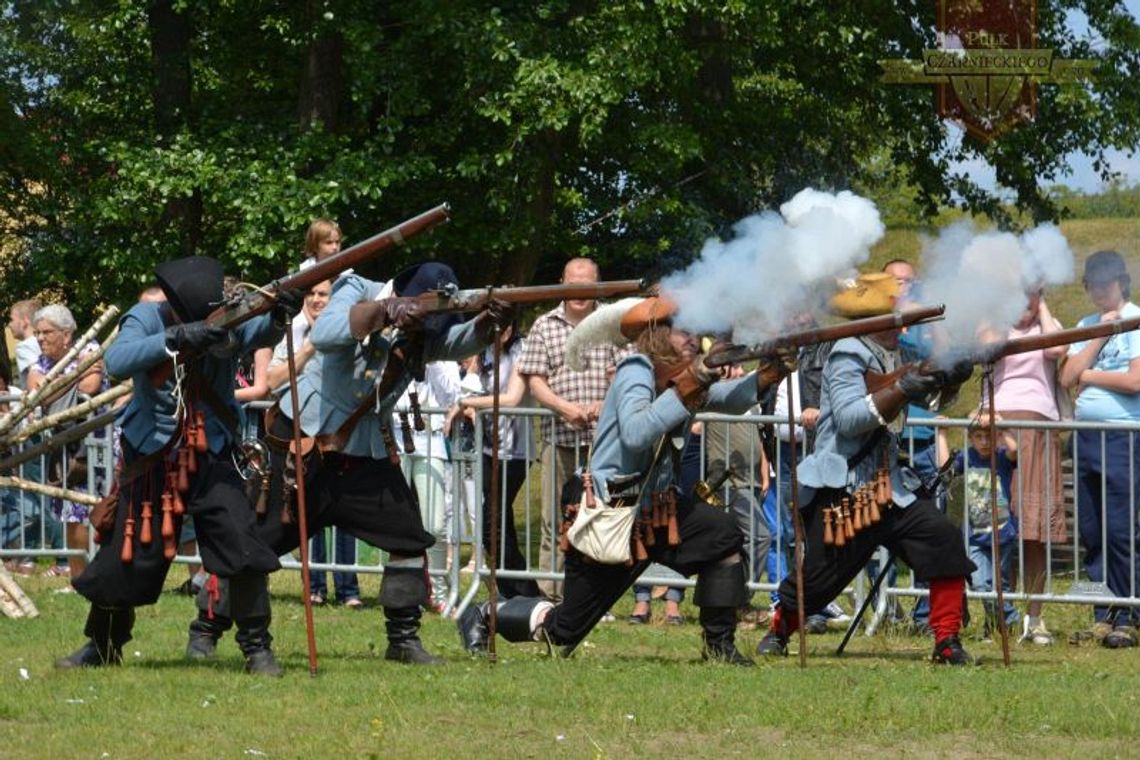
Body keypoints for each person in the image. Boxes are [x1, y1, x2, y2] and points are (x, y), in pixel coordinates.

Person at [186, 261, 512, 666]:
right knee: (247, 543)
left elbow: (453, 342)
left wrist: (487, 325)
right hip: (300, 446)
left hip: (364, 453)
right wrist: (385, 312)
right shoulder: (358, 287)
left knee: (408, 539)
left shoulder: (422, 328)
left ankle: (403, 639)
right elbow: (327, 333)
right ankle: (206, 626)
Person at [459, 296, 790, 666]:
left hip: (658, 509)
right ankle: (487, 613)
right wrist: (691, 382)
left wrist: (765, 377)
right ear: (657, 335)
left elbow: (725, 399)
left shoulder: (678, 380)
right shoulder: (636, 368)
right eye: (685, 331)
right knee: (565, 628)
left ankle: (719, 646)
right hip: (611, 508)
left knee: (724, 533)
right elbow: (635, 433)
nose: (694, 339)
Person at [57, 256, 300, 676]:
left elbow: (255, 328)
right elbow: (118, 362)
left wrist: (281, 314)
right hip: (152, 456)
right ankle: (102, 644)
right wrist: (178, 336)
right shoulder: (146, 316)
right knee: (125, 558)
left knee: (241, 546)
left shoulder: (224, 316)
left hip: (212, 452)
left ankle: (257, 649)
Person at [755, 273, 977, 665]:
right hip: (842, 486)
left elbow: (932, 402)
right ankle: (779, 629)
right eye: (892, 316)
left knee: (942, 539)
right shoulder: (847, 353)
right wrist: (905, 388)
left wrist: (950, 377)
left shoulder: (896, 351)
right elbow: (849, 419)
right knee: (819, 579)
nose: (900, 323)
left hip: (889, 485)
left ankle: (946, 639)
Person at [517, 257, 625, 601]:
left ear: (597, 285)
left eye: (586, 285)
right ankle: (551, 597)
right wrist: (565, 408)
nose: (579, 292)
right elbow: (535, 381)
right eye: (573, 284)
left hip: (607, 442)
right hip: (559, 438)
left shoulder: (616, 322)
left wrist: (604, 404)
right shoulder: (543, 325)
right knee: (553, 522)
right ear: (562, 283)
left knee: (603, 521)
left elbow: (629, 374)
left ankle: (596, 599)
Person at [1060, 250, 1140, 649]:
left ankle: (1128, 613)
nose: (1099, 290)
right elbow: (1066, 377)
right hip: (1086, 436)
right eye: (1092, 283)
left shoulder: (1136, 319)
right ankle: (1102, 613)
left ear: (1121, 283)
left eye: (1106, 283)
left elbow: (1135, 381)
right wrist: (1098, 335)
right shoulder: (1085, 325)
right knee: (1092, 529)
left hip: (1124, 435)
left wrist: (1087, 375)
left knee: (1121, 527)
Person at [988, 287, 1067, 645]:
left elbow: (1057, 350)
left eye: (1031, 295)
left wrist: (1044, 306)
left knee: (1035, 534)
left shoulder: (1049, 326)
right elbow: (984, 348)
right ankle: (998, 617)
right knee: (991, 527)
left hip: (1040, 428)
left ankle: (1035, 620)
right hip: (997, 428)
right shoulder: (994, 323)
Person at [444, 319, 541, 600]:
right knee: (499, 523)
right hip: (487, 448)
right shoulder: (482, 352)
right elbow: (469, 389)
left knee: (490, 522)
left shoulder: (521, 350)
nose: (500, 333)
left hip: (515, 451)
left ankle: (520, 589)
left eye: (507, 327)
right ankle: (517, 591)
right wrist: (466, 403)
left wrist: (467, 404)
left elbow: (511, 398)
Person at [27, 303, 108, 579]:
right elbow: (35, 390)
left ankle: (96, 576)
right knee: (70, 512)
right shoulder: (40, 362)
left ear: (66, 334)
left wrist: (53, 386)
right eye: (37, 333)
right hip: (64, 447)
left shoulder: (88, 347)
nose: (39, 338)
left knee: (95, 508)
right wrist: (71, 379)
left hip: (98, 446)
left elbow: (90, 386)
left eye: (46, 332)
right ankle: (78, 579)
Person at [938, 412, 1020, 641]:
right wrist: (942, 434)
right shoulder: (967, 457)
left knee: (1000, 584)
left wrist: (1002, 426)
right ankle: (1012, 619)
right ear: (970, 438)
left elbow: (1015, 451)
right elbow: (946, 469)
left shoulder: (1002, 456)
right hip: (974, 535)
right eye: (978, 436)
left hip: (1001, 533)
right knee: (981, 584)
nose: (984, 442)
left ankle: (995, 625)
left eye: (989, 436)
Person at [8, 299, 42, 388]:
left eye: (12, 320)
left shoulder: (24, 347)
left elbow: (37, 376)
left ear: (25, 321)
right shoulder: (43, 341)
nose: (9, 324)